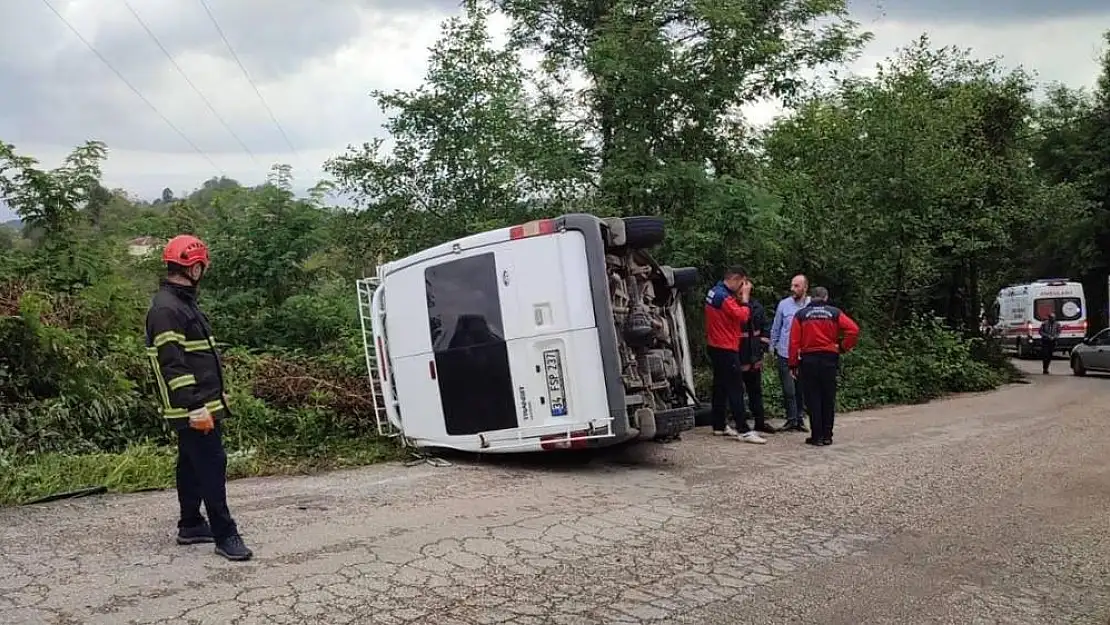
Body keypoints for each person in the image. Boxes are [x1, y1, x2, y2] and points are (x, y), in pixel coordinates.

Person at [145, 234, 252, 561]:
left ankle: (191, 524)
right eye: (201, 265)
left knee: (191, 464)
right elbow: (173, 364)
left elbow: (199, 356)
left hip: (203, 399)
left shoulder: (182, 303)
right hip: (192, 405)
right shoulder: (167, 309)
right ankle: (225, 534)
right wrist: (194, 407)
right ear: (193, 267)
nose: (203, 270)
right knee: (211, 463)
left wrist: (216, 393)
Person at [788, 287, 860, 446]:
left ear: (811, 298)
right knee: (828, 397)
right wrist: (842, 347)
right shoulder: (834, 313)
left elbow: (793, 342)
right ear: (825, 297)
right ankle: (828, 435)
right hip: (829, 358)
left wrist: (792, 364)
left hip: (809, 360)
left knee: (813, 398)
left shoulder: (801, 315)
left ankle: (817, 436)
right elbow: (853, 330)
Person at [704, 265, 765, 444]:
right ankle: (743, 430)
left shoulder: (714, 291)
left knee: (720, 386)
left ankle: (719, 424)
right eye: (742, 284)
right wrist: (745, 298)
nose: (742, 288)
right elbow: (743, 316)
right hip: (726, 347)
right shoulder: (724, 297)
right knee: (735, 388)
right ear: (737, 279)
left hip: (715, 344)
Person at [769, 274, 811, 432]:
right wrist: (772, 347)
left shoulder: (811, 305)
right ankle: (791, 419)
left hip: (804, 354)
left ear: (805, 287)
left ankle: (799, 418)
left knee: (801, 388)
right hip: (785, 352)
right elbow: (776, 327)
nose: (792, 289)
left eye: (796, 286)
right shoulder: (784, 305)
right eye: (792, 285)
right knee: (789, 389)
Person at [737, 293, 776, 436]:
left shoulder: (757, 306)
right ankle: (740, 423)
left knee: (756, 392)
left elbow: (766, 327)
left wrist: (762, 346)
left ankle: (759, 422)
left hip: (754, 356)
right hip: (739, 355)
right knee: (737, 392)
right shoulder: (733, 306)